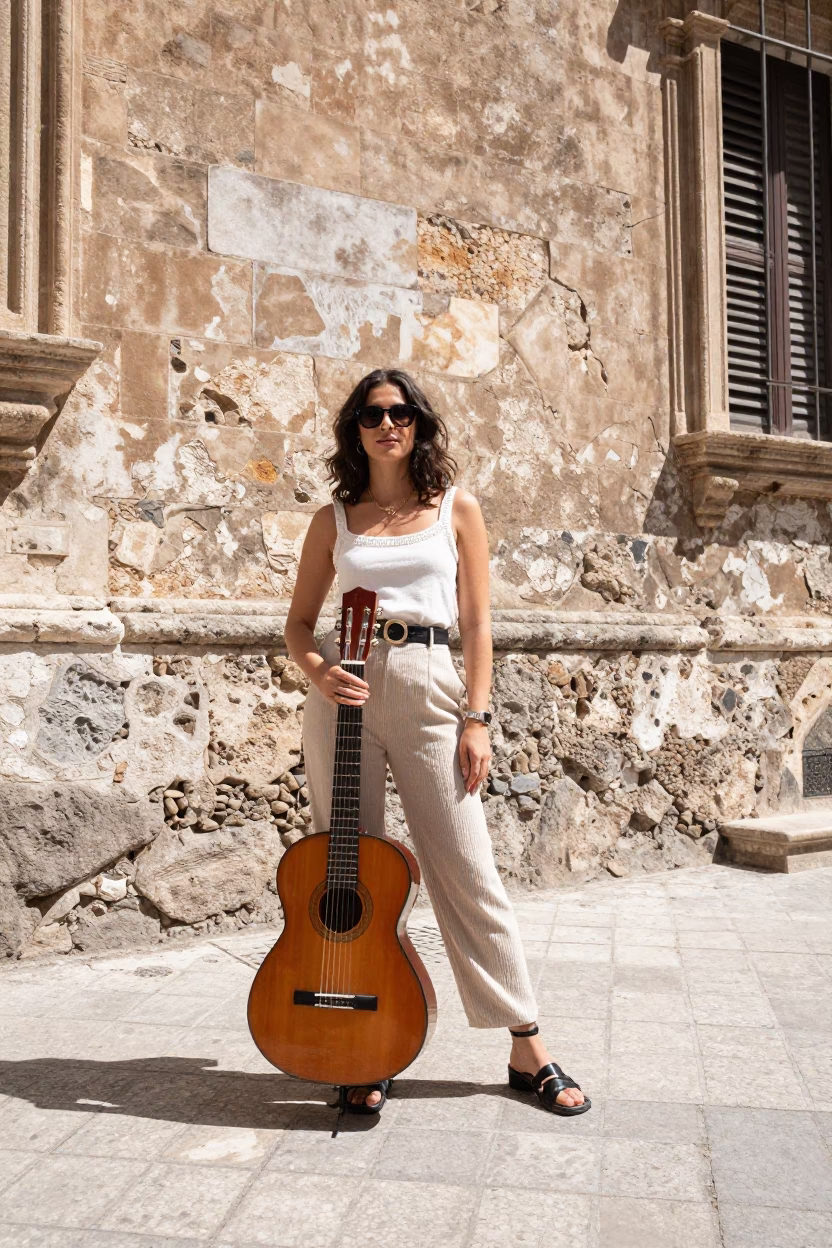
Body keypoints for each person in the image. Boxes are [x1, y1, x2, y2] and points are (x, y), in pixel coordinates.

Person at [284, 367, 589, 1117]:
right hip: (344, 692)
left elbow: (478, 623)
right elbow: (298, 624)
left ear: (419, 423)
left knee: (466, 868)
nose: (387, 424)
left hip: (429, 683)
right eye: (371, 414)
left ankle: (526, 1042)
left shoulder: (455, 508)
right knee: (348, 874)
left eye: (400, 412)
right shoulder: (334, 519)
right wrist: (319, 671)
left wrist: (476, 717)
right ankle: (366, 1046)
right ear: (355, 430)